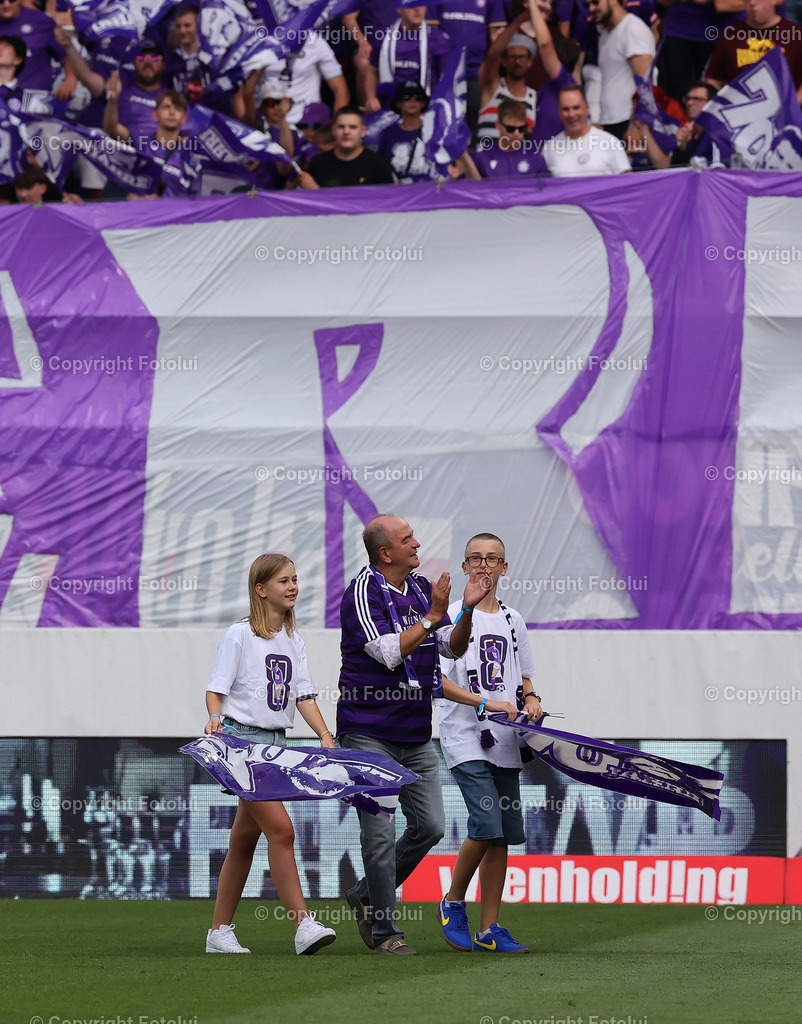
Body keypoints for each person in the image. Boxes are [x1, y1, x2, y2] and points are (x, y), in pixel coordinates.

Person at [337, 514, 490, 955]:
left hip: (416, 732)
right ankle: (386, 933)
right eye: (407, 539)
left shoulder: (422, 589)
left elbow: (451, 647)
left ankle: (364, 895)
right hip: (367, 731)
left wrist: (465, 610)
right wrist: (435, 616)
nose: (417, 543)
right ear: (385, 553)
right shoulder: (362, 592)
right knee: (379, 834)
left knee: (431, 826)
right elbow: (387, 652)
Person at [204, 553, 338, 956]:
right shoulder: (239, 634)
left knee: (244, 840)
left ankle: (218, 932)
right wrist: (214, 718)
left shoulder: (294, 640)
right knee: (282, 830)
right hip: (243, 745)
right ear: (260, 589)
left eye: (294, 579)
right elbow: (215, 689)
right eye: (283, 581)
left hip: (277, 746)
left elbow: (304, 697)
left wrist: (325, 735)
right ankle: (303, 925)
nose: (293, 586)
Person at [437, 532, 541, 954]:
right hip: (465, 736)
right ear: (464, 566)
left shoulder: (514, 620)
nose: (483, 565)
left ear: (505, 567)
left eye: (492, 558)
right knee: (486, 822)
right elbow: (438, 682)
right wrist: (484, 702)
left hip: (505, 740)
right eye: (475, 558)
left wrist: (531, 700)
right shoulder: (450, 616)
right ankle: (452, 902)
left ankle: (490, 928)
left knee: (501, 836)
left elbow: (526, 678)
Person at [704, 0, 802, 100]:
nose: (752, 3)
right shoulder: (729, 36)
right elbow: (714, 80)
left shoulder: (796, 35)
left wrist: (793, 104)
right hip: (740, 105)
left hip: (786, 105)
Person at [364, 5, 453, 112]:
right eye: (411, 5)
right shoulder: (383, 37)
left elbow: (448, 80)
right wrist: (371, 97)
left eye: (421, 4)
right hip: (389, 108)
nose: (417, 9)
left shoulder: (439, 39)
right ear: (399, 9)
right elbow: (372, 71)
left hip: (426, 109)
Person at [590, 0, 655, 139]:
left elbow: (646, 83)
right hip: (610, 121)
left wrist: (638, 127)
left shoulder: (632, 29)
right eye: (587, 4)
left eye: (595, 2)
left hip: (628, 122)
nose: (591, 8)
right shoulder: (605, 34)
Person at [543, 83, 632, 175]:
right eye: (566, 109)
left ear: (587, 108)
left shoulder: (610, 142)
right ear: (558, 111)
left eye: (576, 108)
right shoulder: (549, 149)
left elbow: (628, 180)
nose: (571, 114)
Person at [299, 105, 395, 188]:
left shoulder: (379, 164)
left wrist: (316, 190)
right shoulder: (317, 164)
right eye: (341, 127)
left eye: (353, 127)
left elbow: (388, 201)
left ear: (363, 131)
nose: (346, 132)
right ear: (333, 130)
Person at [473, 97, 548, 177]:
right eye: (510, 129)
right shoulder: (482, 155)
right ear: (498, 125)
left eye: (521, 128)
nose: (516, 133)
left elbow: (545, 184)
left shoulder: (534, 156)